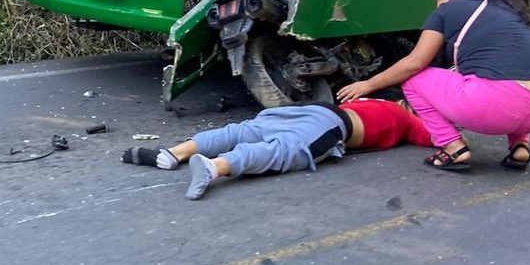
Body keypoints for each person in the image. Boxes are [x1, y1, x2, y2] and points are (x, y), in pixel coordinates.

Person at [337, 0, 530, 171]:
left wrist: (367, 84)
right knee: (518, 77)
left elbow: (414, 63)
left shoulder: (448, 10)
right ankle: (520, 148)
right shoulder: (514, 13)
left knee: (414, 80)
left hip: (495, 106)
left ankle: (452, 147)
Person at [122, 99, 432, 199]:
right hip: (330, 125)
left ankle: (175, 152)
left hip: (303, 109)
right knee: (284, 151)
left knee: (244, 130)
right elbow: (437, 138)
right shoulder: (407, 119)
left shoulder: (377, 101)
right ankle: (215, 167)